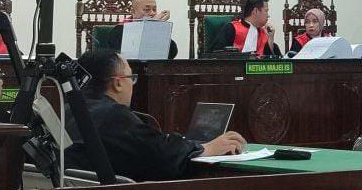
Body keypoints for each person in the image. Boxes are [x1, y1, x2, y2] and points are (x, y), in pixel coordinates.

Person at [65, 50, 246, 181]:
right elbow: (162, 156)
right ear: (118, 83)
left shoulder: (68, 110)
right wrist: (207, 149)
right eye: (131, 78)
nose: (132, 85)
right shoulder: (113, 115)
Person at [105, 0, 179, 59]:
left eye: (154, 9)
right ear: (133, 11)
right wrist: (151, 26)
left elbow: (172, 52)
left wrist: (156, 27)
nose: (152, 13)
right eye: (147, 10)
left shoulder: (156, 28)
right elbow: (126, 53)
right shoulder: (119, 30)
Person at [211, 0, 281, 58]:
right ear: (256, 11)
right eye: (266, 11)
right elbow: (215, 54)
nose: (268, 15)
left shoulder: (265, 32)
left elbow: (274, 62)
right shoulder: (232, 28)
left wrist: (270, 40)